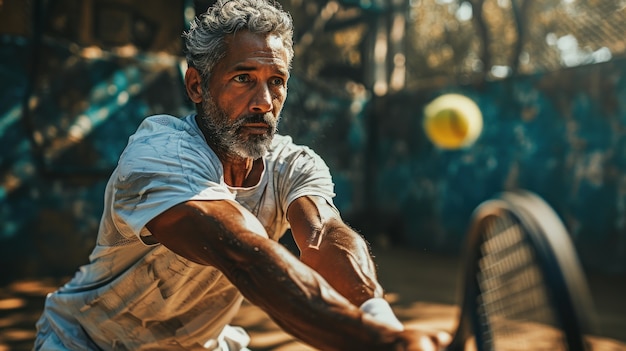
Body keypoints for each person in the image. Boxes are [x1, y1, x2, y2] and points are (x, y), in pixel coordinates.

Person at [34, 0, 450, 350]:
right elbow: (243, 255)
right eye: (244, 79)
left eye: (277, 81)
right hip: (86, 341)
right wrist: (380, 344)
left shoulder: (294, 162)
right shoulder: (159, 155)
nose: (264, 102)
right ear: (197, 86)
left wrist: (382, 319)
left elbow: (324, 238)